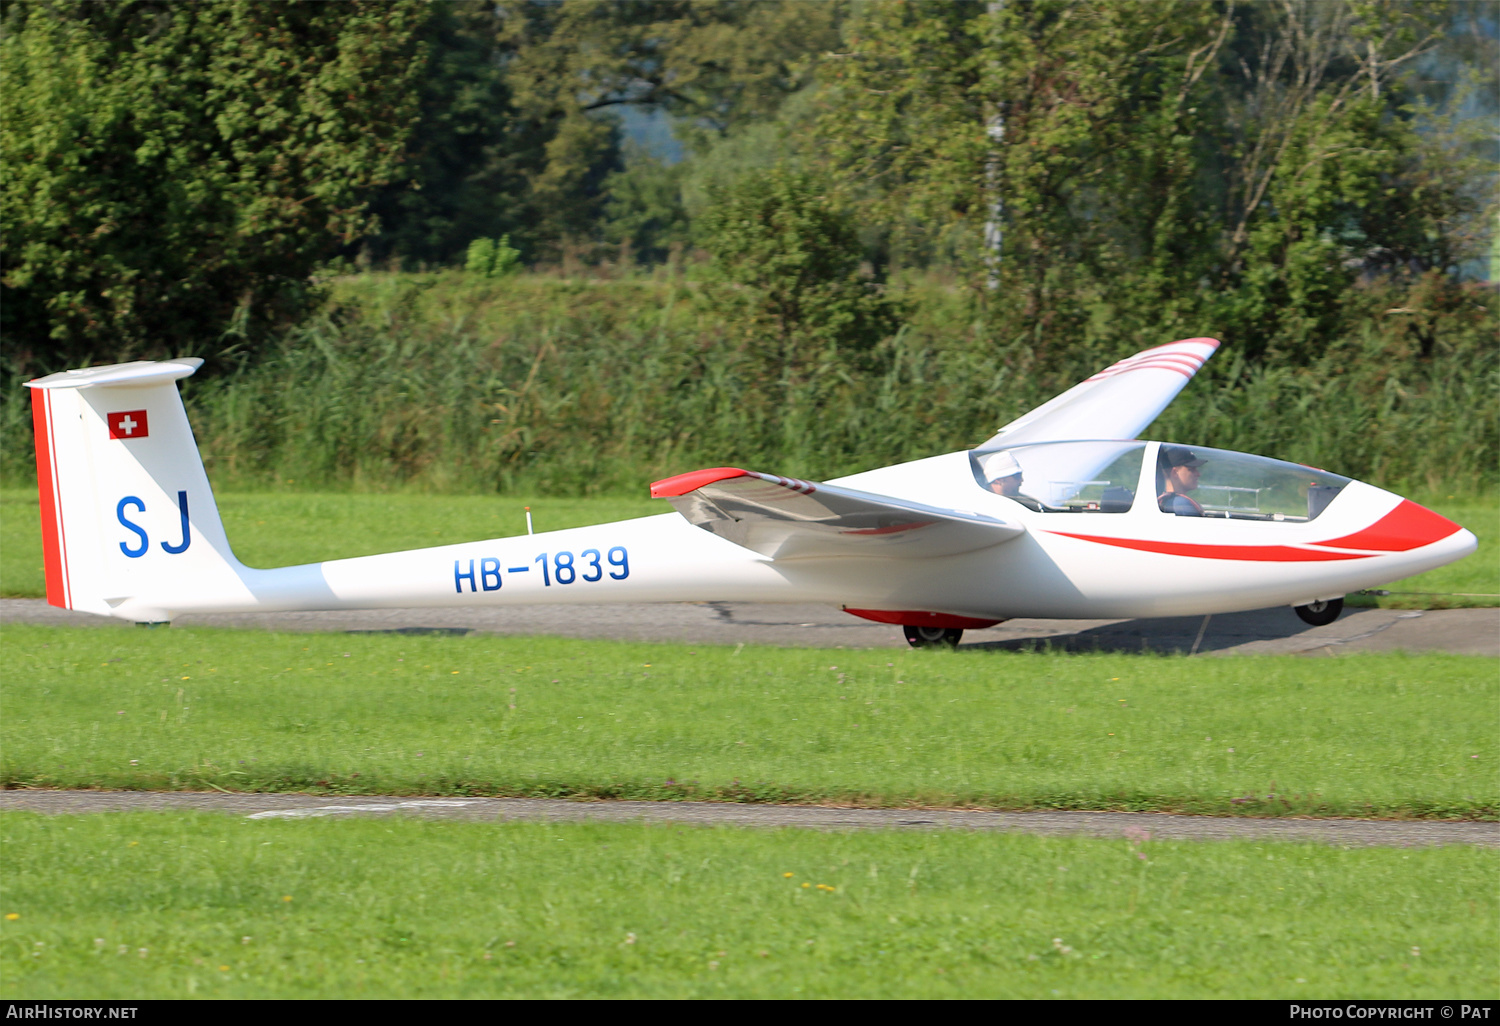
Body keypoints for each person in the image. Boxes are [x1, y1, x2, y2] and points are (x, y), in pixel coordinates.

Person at [1158, 446, 1206, 515]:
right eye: (1191, 469)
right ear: (1175, 472)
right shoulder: (1182, 505)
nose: (1198, 474)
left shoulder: (1164, 501)